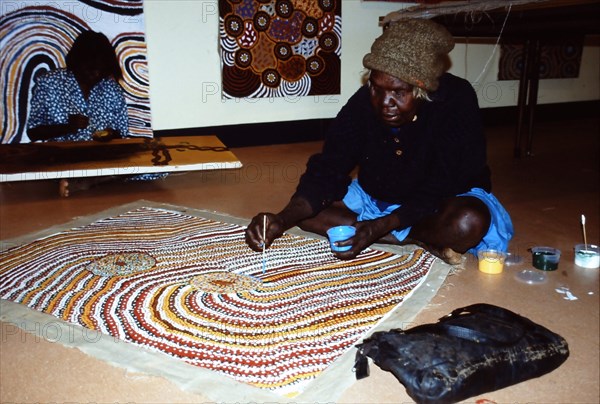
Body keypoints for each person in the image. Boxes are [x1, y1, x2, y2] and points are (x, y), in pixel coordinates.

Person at [245, 18, 513, 265]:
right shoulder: (364, 102)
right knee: (307, 211)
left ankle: (398, 232)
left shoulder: (456, 101)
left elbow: (441, 184)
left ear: (422, 90)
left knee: (467, 223)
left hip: (440, 199)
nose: (385, 103)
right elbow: (329, 168)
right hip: (378, 199)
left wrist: (380, 227)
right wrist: (281, 219)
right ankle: (415, 238)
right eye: (376, 88)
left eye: (398, 92)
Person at [27, 30, 163, 197]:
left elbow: (122, 135)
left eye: (101, 70)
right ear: (77, 62)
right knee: (42, 162)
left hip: (101, 157)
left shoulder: (111, 88)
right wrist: (67, 128)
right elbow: (33, 133)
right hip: (63, 156)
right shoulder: (49, 83)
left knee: (155, 160)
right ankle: (93, 179)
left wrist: (111, 135)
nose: (96, 75)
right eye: (91, 69)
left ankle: (91, 181)